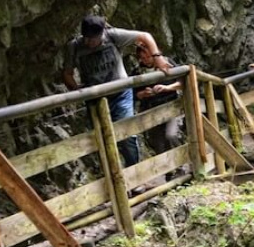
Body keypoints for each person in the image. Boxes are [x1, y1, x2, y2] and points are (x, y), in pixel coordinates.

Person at [62, 15, 164, 167]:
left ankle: (134, 175)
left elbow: (145, 36)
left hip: (120, 93)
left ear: (101, 34)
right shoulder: (75, 46)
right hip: (94, 99)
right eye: (86, 38)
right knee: (102, 139)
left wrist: (158, 58)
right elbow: (67, 73)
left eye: (93, 39)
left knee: (127, 134)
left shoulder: (112, 36)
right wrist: (77, 90)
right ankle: (115, 177)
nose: (89, 42)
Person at [135, 48, 185, 171]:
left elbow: (183, 82)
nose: (146, 60)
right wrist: (143, 94)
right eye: (143, 58)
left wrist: (167, 88)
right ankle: (168, 171)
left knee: (171, 135)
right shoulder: (137, 72)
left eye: (148, 56)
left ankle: (181, 166)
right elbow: (133, 94)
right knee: (157, 143)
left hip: (172, 106)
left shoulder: (166, 63)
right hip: (151, 110)